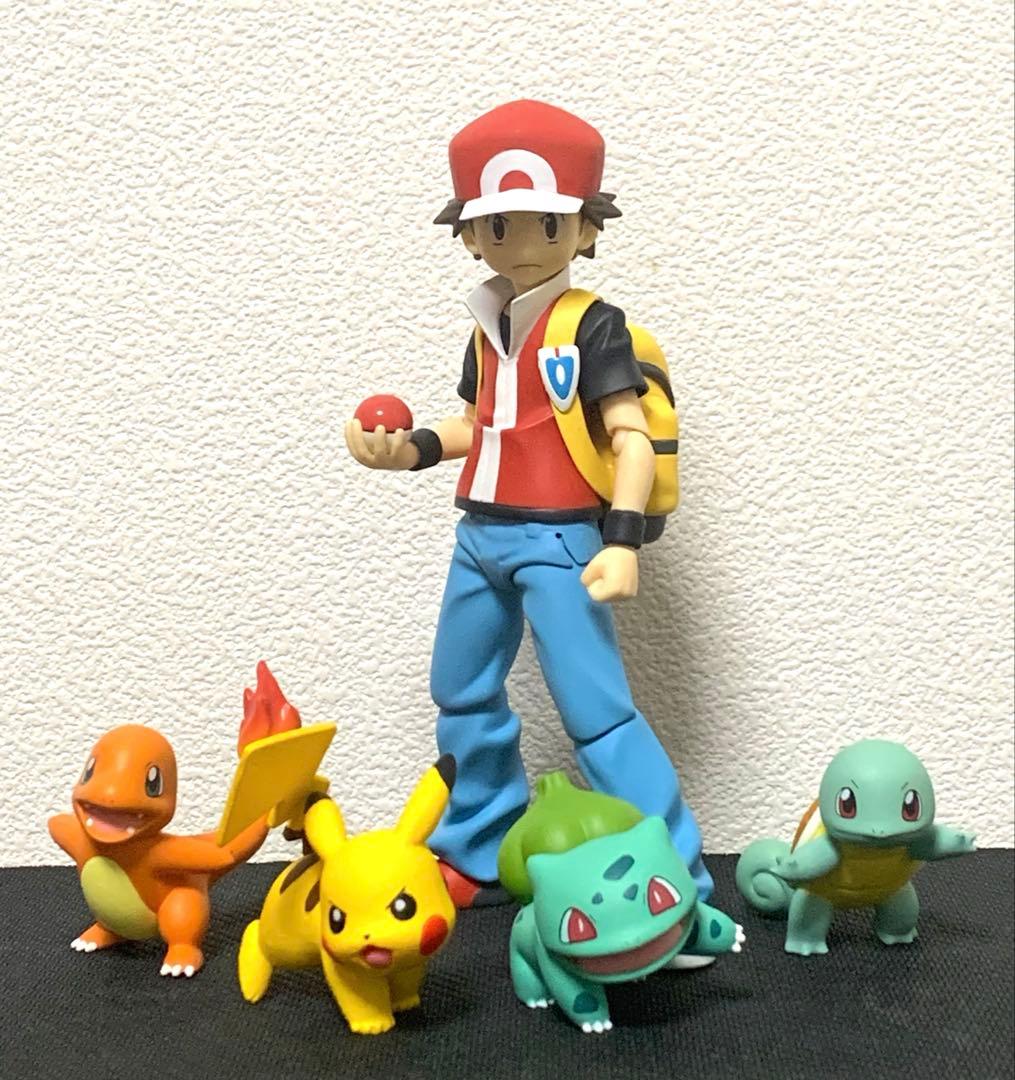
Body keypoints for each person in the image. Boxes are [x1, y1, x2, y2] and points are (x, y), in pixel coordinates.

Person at [345, 100, 712, 915]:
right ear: (470, 235)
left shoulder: (592, 326)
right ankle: (480, 847)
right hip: (480, 536)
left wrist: (622, 540)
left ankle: (676, 878)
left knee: (597, 712)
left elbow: (628, 438)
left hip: (560, 540)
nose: (521, 242)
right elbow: (474, 426)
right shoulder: (486, 326)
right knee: (461, 690)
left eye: (546, 224)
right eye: (498, 225)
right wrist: (407, 450)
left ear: (584, 229)